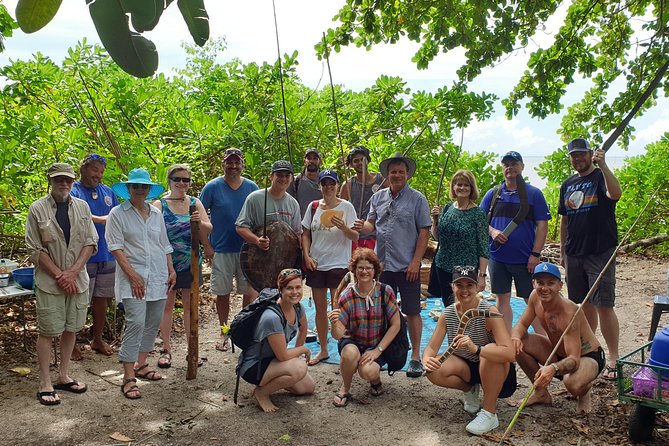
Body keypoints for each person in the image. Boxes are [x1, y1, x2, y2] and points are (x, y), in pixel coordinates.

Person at [26, 162, 98, 405]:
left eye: (67, 179)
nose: (64, 184)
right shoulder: (37, 209)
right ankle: (45, 381)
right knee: (47, 330)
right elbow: (35, 249)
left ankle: (63, 375)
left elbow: (90, 242)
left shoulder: (82, 207)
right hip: (49, 281)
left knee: (71, 327)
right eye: (59, 180)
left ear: (72, 181)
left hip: (77, 280)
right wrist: (61, 275)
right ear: (50, 180)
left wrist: (73, 272)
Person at [356, 152, 431, 378]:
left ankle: (415, 357)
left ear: (407, 174)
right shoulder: (378, 197)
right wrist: (362, 225)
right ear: (387, 175)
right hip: (383, 267)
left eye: (401, 171)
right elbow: (371, 225)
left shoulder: (417, 199)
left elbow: (424, 231)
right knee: (382, 312)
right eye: (393, 172)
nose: (397, 175)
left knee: (412, 311)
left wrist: (416, 262)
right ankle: (385, 353)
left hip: (407, 267)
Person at [107, 168, 176, 399]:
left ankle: (142, 364)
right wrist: (133, 275)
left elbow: (164, 244)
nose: (139, 190)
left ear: (148, 190)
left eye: (143, 186)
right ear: (128, 189)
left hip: (158, 276)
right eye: (135, 186)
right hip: (132, 278)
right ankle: (128, 376)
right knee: (135, 321)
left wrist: (171, 268)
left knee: (153, 321)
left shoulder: (156, 214)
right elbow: (115, 247)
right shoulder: (118, 214)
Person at [422, 266, 516, 435]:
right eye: (460, 285)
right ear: (452, 287)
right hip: (466, 366)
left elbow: (509, 353)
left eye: (469, 285)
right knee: (433, 370)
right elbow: (431, 347)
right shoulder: (448, 313)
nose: (464, 290)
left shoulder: (489, 312)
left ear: (478, 287)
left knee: (489, 350)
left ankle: (489, 413)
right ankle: (469, 389)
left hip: (495, 368)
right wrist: (426, 359)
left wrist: (476, 348)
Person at [559, 138, 622, 380]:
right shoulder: (568, 184)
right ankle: (591, 350)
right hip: (574, 253)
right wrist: (564, 252)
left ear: (590, 154)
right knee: (581, 306)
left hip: (600, 250)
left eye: (582, 154)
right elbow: (565, 219)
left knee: (604, 304)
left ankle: (614, 357)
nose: (578, 159)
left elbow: (615, 193)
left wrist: (604, 166)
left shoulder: (599, 177)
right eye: (574, 156)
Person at [511, 262, 605, 413]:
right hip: (558, 352)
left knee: (572, 384)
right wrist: (515, 338)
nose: (544, 288)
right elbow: (521, 324)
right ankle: (541, 393)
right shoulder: (534, 297)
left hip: (586, 356)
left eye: (551, 283)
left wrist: (553, 368)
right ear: (533, 283)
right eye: (540, 282)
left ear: (560, 285)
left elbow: (574, 359)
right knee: (518, 343)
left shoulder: (569, 313)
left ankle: (585, 391)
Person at [480, 151, 551, 332]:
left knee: (531, 300)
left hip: (525, 259)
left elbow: (542, 226)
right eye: (506, 164)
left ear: (522, 167)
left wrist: (535, 254)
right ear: (502, 168)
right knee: (502, 299)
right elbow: (480, 222)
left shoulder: (533, 194)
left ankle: (544, 341)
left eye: (514, 164)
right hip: (498, 258)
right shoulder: (494, 193)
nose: (510, 168)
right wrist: (493, 231)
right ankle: (505, 343)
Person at [153, 164, 212, 368]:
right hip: (166, 264)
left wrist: (199, 222)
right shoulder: (159, 205)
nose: (181, 183)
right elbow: (153, 234)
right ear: (169, 180)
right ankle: (166, 349)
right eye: (177, 179)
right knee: (167, 306)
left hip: (191, 262)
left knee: (190, 306)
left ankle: (192, 349)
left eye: (186, 180)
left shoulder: (195, 203)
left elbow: (207, 229)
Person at [200, 148, 259, 352]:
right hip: (221, 248)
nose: (233, 166)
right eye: (229, 162)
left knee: (248, 292)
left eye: (237, 162)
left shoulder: (252, 187)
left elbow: (259, 217)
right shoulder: (212, 187)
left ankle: (242, 330)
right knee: (222, 292)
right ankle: (224, 331)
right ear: (223, 164)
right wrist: (206, 245)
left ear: (242, 164)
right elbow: (200, 217)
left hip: (247, 250)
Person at [328, 248, 401, 407]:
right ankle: (345, 387)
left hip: (376, 343)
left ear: (375, 271)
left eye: (368, 268)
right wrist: (334, 324)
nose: (364, 271)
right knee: (349, 353)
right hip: (353, 341)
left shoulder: (384, 291)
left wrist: (378, 350)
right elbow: (338, 334)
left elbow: (396, 324)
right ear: (354, 270)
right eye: (360, 267)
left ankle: (375, 380)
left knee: (366, 371)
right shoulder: (347, 295)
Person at [302, 168, 359, 365]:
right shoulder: (313, 206)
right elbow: (306, 233)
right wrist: (306, 255)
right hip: (317, 263)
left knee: (338, 310)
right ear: (320, 186)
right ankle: (324, 350)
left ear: (337, 185)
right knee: (319, 310)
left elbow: (355, 236)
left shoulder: (347, 207)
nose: (328, 187)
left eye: (331, 183)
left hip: (338, 265)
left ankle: (345, 350)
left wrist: (343, 227)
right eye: (324, 183)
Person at [237, 268, 315, 412]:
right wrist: (303, 350)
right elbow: (283, 356)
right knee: (299, 368)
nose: (295, 292)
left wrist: (296, 356)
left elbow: (303, 328)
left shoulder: (297, 307)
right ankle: (262, 393)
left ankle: (269, 384)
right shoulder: (271, 317)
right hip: (254, 366)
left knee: (307, 387)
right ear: (281, 290)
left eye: (298, 287)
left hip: (272, 361)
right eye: (289, 288)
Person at [70, 153, 120, 359]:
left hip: (108, 253)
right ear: (83, 169)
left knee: (102, 298)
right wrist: (101, 219)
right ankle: (71, 343)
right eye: (94, 170)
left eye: (101, 171)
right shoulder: (74, 191)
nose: (98, 175)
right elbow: (77, 215)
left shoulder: (108, 191)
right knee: (80, 300)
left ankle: (97, 339)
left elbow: (118, 213)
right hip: (84, 255)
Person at [431, 170, 489, 307]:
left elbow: (484, 247)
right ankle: (452, 329)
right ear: (453, 187)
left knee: (465, 305)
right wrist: (435, 220)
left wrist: (482, 276)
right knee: (449, 305)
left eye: (466, 185)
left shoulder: (478, 214)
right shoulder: (447, 208)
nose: (462, 188)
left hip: (465, 270)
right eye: (459, 184)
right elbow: (438, 237)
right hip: (443, 266)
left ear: (472, 188)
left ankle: (466, 329)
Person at [236, 160, 302, 257]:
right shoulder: (255, 198)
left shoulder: (293, 203)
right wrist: (257, 240)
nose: (283, 179)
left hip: (285, 257)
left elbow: (297, 233)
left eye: (287, 176)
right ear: (271, 176)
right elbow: (240, 227)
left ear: (292, 178)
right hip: (259, 257)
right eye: (279, 175)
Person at [339, 145, 385, 251]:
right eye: (356, 161)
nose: (360, 163)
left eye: (362, 159)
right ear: (351, 165)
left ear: (368, 160)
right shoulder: (348, 184)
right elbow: (341, 210)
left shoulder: (382, 180)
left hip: (377, 236)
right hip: (355, 237)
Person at [289, 148, 323, 218]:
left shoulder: (325, 181)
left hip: (321, 224)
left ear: (320, 162)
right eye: (309, 158)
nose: (311, 161)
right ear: (305, 161)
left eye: (315, 158)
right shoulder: (295, 181)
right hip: (300, 225)